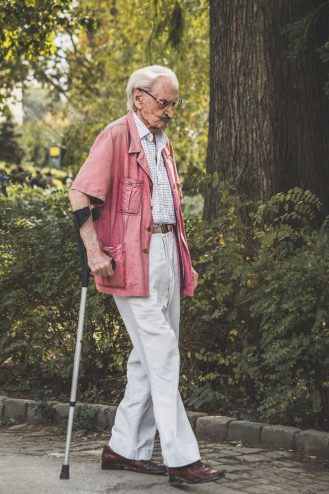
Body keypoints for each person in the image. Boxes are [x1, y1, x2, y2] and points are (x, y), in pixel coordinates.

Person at [68, 65, 225, 486]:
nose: (170, 110)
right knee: (162, 353)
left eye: (174, 104)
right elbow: (80, 192)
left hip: (167, 253)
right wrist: (94, 251)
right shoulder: (118, 135)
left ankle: (124, 448)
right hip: (132, 260)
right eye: (163, 102)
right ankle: (182, 458)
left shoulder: (163, 143)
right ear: (139, 97)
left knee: (145, 359)